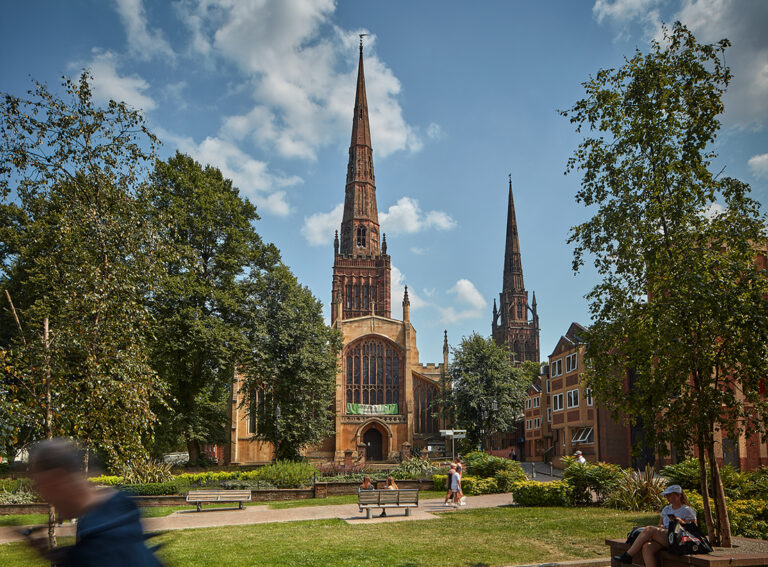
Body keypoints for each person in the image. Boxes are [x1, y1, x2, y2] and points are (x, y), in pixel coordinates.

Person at [24, 439, 163, 567]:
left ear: (58, 479)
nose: (43, 495)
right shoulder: (114, 513)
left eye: (41, 484)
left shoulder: (101, 549)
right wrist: (51, 555)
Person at [614, 485, 698, 567]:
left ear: (678, 495)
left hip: (679, 539)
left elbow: (693, 530)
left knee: (649, 529)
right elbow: (660, 524)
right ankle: (629, 557)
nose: (667, 498)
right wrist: (661, 527)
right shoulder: (666, 509)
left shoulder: (687, 510)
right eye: (666, 496)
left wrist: (681, 522)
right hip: (666, 536)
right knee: (647, 547)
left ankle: (628, 555)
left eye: (669, 495)